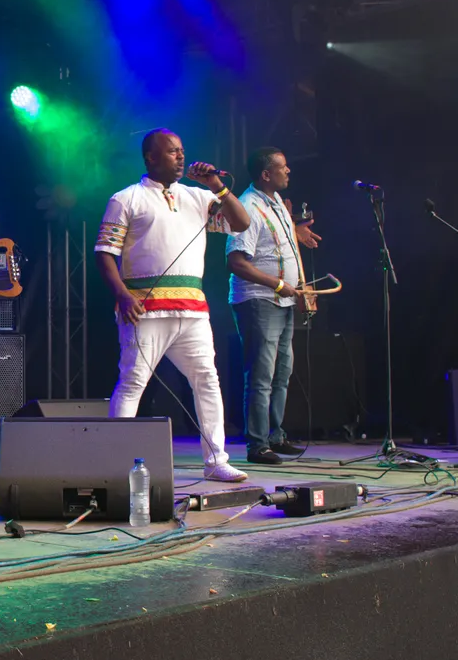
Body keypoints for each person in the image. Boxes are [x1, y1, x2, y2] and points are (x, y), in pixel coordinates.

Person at [94, 128, 252, 482]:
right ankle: (113, 465)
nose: (180, 156)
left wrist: (216, 185)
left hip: (192, 311)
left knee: (207, 380)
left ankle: (216, 462)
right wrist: (122, 294)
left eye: (181, 150)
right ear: (150, 157)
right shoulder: (126, 198)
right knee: (133, 382)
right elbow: (104, 253)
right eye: (171, 151)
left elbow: (241, 222)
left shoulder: (199, 196)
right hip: (145, 310)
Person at [227, 147, 322, 464]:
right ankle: (257, 444)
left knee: (282, 371)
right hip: (259, 301)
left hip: (283, 301)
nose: (288, 171)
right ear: (266, 174)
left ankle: (275, 436)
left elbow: (275, 241)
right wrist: (279, 285)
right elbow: (236, 262)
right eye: (283, 167)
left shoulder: (276, 200)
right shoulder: (248, 207)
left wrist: (297, 231)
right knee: (261, 374)